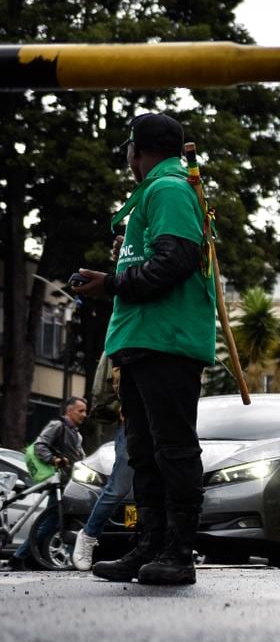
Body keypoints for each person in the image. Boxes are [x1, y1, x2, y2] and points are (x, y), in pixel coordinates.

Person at [73, 112, 216, 586]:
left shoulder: (169, 189)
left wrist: (111, 282)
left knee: (172, 448)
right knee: (144, 452)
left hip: (167, 340)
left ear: (136, 150)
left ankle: (178, 552)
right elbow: (160, 256)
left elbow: (175, 260)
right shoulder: (155, 193)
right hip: (141, 340)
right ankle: (150, 545)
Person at [7, 397, 87, 570]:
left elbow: (80, 459)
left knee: (62, 522)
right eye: (80, 411)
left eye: (85, 411)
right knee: (51, 521)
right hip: (58, 482)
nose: (84, 415)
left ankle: (22, 558)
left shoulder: (76, 434)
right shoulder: (58, 426)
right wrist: (54, 460)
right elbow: (40, 445)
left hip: (70, 484)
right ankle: (18, 556)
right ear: (69, 411)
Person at [71, 420, 134, 571]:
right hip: (134, 425)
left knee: (158, 489)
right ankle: (89, 534)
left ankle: (161, 546)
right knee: (119, 488)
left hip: (162, 425)